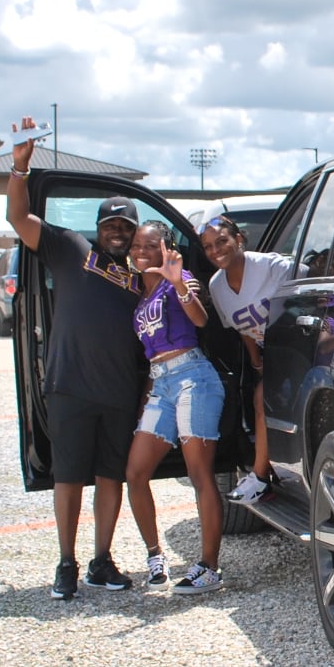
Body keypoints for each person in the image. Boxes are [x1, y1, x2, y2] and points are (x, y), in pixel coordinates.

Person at [6, 135, 144, 598]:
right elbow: (18, 218)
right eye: (112, 224)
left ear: (134, 231)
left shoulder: (143, 277)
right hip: (69, 386)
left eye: (126, 226)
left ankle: (101, 561)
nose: (118, 232)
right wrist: (21, 168)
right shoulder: (69, 247)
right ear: (99, 226)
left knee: (111, 477)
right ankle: (66, 563)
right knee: (67, 477)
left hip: (121, 391)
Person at [122, 222, 227, 594]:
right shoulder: (141, 292)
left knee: (200, 475)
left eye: (150, 245)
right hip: (161, 385)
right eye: (136, 245)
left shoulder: (178, 279)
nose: (140, 251)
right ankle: (155, 558)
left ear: (166, 248)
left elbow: (199, 318)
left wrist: (179, 281)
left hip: (193, 379)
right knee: (135, 473)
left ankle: (209, 568)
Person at [201, 216, 297, 502]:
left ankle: (260, 478)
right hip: (272, 355)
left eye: (222, 241)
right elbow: (242, 330)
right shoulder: (217, 286)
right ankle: (270, 470)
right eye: (208, 246)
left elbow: (318, 291)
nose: (216, 250)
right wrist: (257, 363)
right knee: (260, 400)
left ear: (238, 239)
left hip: (299, 344)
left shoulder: (273, 267)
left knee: (260, 399)